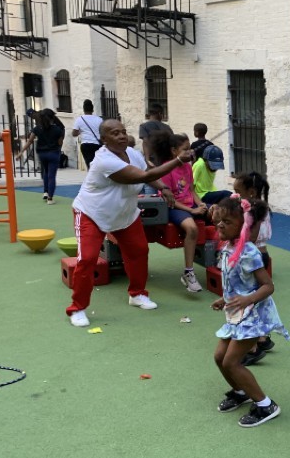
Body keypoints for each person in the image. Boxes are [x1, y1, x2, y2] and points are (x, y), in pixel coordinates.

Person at [66, 119, 189, 327]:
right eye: (115, 133)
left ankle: (137, 294)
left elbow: (149, 176)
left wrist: (164, 188)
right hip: (92, 214)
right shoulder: (105, 160)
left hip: (125, 215)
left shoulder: (132, 153)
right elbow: (143, 175)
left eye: (123, 132)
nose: (122, 136)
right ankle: (77, 308)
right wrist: (178, 161)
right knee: (87, 260)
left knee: (139, 252)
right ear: (103, 139)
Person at [211, 196, 290, 428]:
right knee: (219, 358)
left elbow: (268, 286)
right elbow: (235, 284)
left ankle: (265, 404)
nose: (220, 225)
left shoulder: (249, 252)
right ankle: (240, 391)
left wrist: (246, 300)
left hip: (253, 316)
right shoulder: (228, 248)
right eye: (219, 221)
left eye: (227, 221)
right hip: (236, 314)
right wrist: (223, 300)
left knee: (232, 361)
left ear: (242, 225)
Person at [154, 132, 207, 293]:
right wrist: (192, 210)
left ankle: (224, 261)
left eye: (190, 148)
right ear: (174, 151)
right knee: (191, 228)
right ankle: (188, 273)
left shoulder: (187, 166)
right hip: (174, 208)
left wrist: (201, 204)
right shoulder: (166, 169)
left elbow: (191, 190)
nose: (190, 152)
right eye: (185, 149)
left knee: (220, 214)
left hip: (190, 205)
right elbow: (170, 200)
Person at [232, 171, 275, 365]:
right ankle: (263, 338)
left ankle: (253, 348)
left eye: (238, 192)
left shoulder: (253, 209)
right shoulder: (258, 205)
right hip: (260, 255)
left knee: (249, 300)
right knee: (257, 299)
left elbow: (251, 236)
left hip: (253, 257)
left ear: (250, 192)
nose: (235, 195)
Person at [17, 108, 65, 205]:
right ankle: (50, 198)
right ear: (52, 118)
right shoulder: (57, 130)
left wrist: (21, 152)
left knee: (46, 172)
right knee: (52, 176)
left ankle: (45, 192)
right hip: (53, 153)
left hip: (42, 154)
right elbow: (60, 142)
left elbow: (30, 141)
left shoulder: (37, 129)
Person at [71, 99, 104, 169]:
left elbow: (74, 133)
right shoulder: (99, 119)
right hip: (97, 144)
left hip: (86, 144)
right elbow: (103, 131)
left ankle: (92, 177)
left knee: (89, 164)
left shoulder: (79, 119)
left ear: (84, 109)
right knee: (98, 163)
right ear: (92, 109)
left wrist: (80, 131)